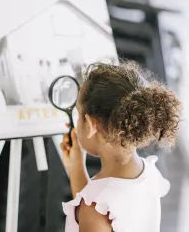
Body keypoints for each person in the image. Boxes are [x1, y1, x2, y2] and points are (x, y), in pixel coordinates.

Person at [60, 61, 181, 232]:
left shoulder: (94, 210)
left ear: (91, 125)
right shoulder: (149, 173)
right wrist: (76, 168)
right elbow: (103, 202)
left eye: (79, 115)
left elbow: (98, 207)